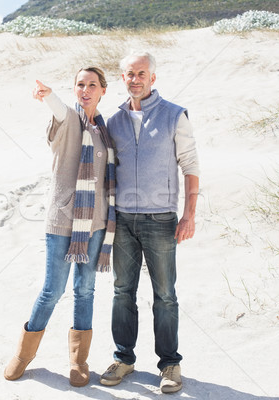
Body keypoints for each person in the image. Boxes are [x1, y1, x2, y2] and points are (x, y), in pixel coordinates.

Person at [4, 67, 116, 387]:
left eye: (92, 85)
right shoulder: (70, 121)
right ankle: (23, 355)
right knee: (53, 289)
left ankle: (79, 361)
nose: (85, 89)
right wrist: (48, 95)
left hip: (94, 224)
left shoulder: (104, 131)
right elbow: (60, 109)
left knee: (85, 289)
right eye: (80, 84)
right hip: (62, 220)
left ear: (102, 91)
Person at [99, 52, 200, 394]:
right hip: (124, 222)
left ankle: (170, 364)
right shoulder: (114, 121)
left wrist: (189, 215)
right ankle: (123, 359)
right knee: (122, 292)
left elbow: (190, 165)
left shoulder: (174, 115)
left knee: (165, 295)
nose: (135, 79)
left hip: (160, 221)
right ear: (123, 78)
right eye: (129, 74)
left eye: (142, 73)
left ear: (153, 78)